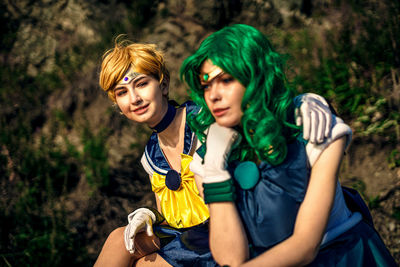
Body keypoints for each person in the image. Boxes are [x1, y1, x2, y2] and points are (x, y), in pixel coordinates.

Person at [93, 38, 334, 267]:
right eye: (122, 92)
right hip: (190, 239)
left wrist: (305, 101)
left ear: (163, 84)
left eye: (141, 84)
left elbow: (254, 107)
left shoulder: (206, 117)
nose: (134, 99)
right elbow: (175, 216)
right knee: (120, 239)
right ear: (118, 105)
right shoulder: (151, 156)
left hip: (233, 231)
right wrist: (151, 216)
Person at [181, 24, 397, 267]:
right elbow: (231, 258)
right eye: (206, 84)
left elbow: (306, 246)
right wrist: (214, 171)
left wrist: (308, 101)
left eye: (227, 80)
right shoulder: (207, 157)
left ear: (256, 77)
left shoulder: (312, 128)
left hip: (344, 258)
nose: (213, 95)